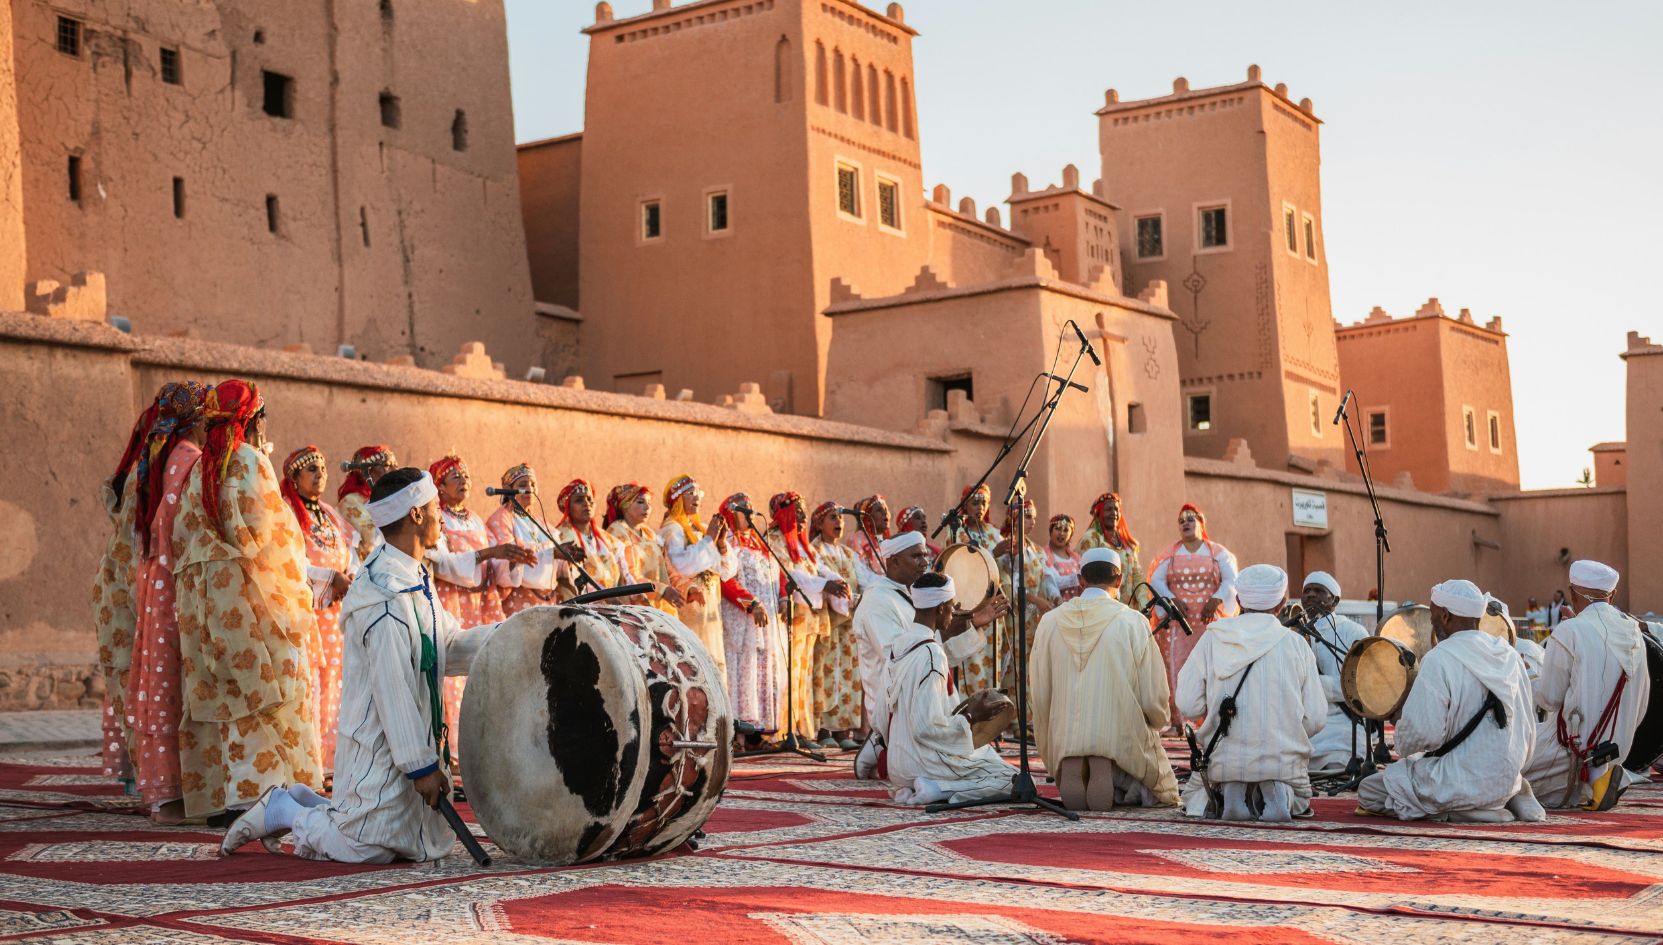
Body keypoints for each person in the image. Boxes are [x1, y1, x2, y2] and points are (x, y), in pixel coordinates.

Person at [219, 469, 502, 862]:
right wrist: (419, 767)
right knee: (365, 847)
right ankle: (283, 810)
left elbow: (444, 646)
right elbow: (393, 687)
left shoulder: (414, 576)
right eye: (436, 508)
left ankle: (304, 803)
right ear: (416, 515)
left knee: (411, 844)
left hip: (407, 742)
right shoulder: (384, 591)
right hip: (381, 743)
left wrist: (510, 637)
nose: (442, 518)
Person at [172, 380, 322, 820]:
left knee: (221, 689)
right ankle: (271, 796)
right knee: (270, 684)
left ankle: (226, 795)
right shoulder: (250, 461)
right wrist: (297, 592)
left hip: (204, 599)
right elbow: (274, 536)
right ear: (254, 420)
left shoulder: (198, 469)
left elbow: (184, 537)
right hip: (248, 594)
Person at [1356, 579, 1544, 823]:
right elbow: (1528, 732)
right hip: (1505, 778)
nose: (1431, 622)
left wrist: (1401, 724)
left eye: (1432, 616)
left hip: (1457, 780)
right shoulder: (1509, 655)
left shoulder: (1440, 658)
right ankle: (1512, 795)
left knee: (1369, 790)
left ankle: (1463, 811)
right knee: (1434, 768)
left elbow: (1425, 735)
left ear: (1445, 616)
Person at [108, 381, 209, 824]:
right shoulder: (190, 461)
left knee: (161, 679)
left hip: (154, 581)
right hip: (179, 582)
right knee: (181, 682)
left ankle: (165, 795)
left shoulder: (153, 462)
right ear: (197, 421)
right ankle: (182, 794)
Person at [1030, 548, 1179, 811]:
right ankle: (1102, 780)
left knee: (1074, 763)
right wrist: (1157, 718)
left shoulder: (1050, 621)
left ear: (1080, 580)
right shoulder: (1133, 622)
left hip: (1065, 729)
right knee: (1104, 760)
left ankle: (1073, 769)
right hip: (1117, 730)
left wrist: (1048, 721)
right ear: (1120, 581)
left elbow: (1040, 686)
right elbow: (1153, 689)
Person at [1176, 564, 1323, 822]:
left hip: (1223, 758)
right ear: (1282, 604)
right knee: (1286, 771)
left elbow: (1188, 704)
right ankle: (1277, 791)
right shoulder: (1296, 644)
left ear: (1240, 600)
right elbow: (1317, 717)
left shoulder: (1213, 638)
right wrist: (1284, 732)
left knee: (1205, 783)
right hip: (1283, 759)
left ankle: (1233, 790)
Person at [851, 531, 1005, 778]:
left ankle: (890, 753)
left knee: (989, 765)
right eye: (915, 556)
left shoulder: (912, 593)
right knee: (993, 774)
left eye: (925, 554)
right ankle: (882, 745)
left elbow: (934, 654)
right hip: (898, 708)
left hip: (928, 708)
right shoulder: (877, 601)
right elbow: (900, 657)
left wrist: (972, 623)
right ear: (893, 561)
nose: (924, 561)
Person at [428, 453, 534, 762]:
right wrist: (492, 552)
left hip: (481, 604)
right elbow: (446, 566)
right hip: (454, 603)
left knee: (483, 670)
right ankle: (456, 753)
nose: (463, 481)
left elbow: (499, 571)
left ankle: (483, 749)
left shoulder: (475, 519)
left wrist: (511, 561)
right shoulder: (439, 519)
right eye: (455, 477)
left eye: (466, 476)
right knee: (454, 674)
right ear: (440, 486)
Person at [1524, 560, 1650, 810]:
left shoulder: (1569, 631)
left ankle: (1590, 780)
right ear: (1612, 595)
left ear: (1571, 592)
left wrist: (1525, 681)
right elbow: (1642, 705)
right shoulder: (1635, 633)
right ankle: (1602, 777)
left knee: (1497, 765)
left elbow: (1548, 698)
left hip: (1569, 750)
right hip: (1616, 750)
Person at [92, 387, 169, 786]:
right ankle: (147, 777)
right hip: (130, 589)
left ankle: (142, 776)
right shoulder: (149, 479)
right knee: (139, 680)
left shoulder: (140, 475)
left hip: (122, 587)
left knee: (135, 680)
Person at [884, 572, 1013, 805]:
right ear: (941, 609)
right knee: (1013, 779)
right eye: (952, 607)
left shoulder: (899, 646)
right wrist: (972, 716)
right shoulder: (932, 653)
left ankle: (909, 788)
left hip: (897, 763)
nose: (954, 613)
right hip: (923, 761)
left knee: (986, 757)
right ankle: (935, 789)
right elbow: (927, 726)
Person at [280, 445, 356, 771]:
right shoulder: (287, 513)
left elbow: (349, 553)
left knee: (335, 684)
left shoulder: (331, 514)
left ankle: (329, 763)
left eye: (323, 469)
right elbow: (289, 563)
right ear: (294, 478)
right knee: (311, 683)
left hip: (334, 615)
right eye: (311, 470)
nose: (319, 475)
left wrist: (347, 576)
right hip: (306, 612)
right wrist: (329, 579)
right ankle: (309, 764)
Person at [764, 492, 851, 743]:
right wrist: (825, 584)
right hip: (794, 614)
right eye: (798, 511)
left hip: (812, 615)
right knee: (790, 674)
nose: (803, 516)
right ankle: (784, 730)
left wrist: (836, 581)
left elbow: (817, 568)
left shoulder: (803, 544)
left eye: (804, 511)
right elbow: (793, 575)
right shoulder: (777, 540)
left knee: (805, 676)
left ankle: (803, 729)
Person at [1150, 503, 1239, 719]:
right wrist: (1172, 600)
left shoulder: (1218, 552)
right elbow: (1155, 580)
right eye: (1181, 521)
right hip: (1179, 624)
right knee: (1177, 668)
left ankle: (1211, 719)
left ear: (1201, 523)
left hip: (1209, 623)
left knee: (1210, 667)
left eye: (1190, 519)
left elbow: (1231, 578)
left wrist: (1216, 598)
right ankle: (1178, 720)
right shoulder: (1170, 553)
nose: (1185, 524)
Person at [717, 492, 785, 736]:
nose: (749, 510)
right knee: (743, 669)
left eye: (750, 506)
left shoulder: (760, 542)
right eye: (742, 508)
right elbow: (726, 580)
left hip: (765, 619)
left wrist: (785, 598)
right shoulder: (728, 541)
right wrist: (751, 604)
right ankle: (739, 731)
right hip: (742, 618)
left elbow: (779, 573)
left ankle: (760, 729)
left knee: (763, 669)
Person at [660, 474, 737, 679]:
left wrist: (720, 544)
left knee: (713, 665)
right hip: (689, 607)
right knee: (693, 665)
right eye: (690, 493)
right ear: (677, 499)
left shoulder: (700, 527)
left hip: (709, 608)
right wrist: (709, 539)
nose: (697, 497)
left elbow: (727, 571)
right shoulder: (671, 529)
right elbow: (682, 566)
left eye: (698, 493)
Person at [485, 463, 583, 617]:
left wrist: (567, 558)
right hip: (519, 603)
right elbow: (507, 564)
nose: (529, 488)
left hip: (550, 602)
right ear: (508, 489)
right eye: (523, 484)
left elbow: (557, 567)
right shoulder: (500, 520)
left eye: (533, 484)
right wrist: (552, 554)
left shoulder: (542, 523)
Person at [1297, 571, 1370, 776]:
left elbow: (1360, 684)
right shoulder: (1293, 633)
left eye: (1319, 591)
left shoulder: (1354, 632)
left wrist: (1314, 684)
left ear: (1335, 600)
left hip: (1342, 721)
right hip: (1303, 720)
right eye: (1307, 591)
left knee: (1340, 754)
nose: (1311, 595)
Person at [810, 501, 862, 749]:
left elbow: (862, 579)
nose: (839, 522)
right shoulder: (814, 551)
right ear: (819, 523)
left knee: (848, 675)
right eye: (832, 517)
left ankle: (844, 730)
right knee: (827, 673)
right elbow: (821, 578)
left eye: (841, 518)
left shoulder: (849, 554)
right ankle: (823, 729)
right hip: (828, 622)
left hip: (849, 624)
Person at [993, 498, 1059, 692]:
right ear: (1015, 517)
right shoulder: (1007, 547)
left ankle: (1031, 714)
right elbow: (1007, 584)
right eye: (1028, 516)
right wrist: (1035, 600)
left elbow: (1046, 576)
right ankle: (1014, 716)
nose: (1033, 521)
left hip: (1034, 615)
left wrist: (1056, 597)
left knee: (1033, 663)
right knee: (1015, 662)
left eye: (1034, 518)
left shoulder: (1035, 548)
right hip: (1016, 614)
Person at [948, 484, 1007, 695]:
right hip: (971, 605)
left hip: (992, 606)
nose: (980, 507)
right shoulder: (958, 531)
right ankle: (970, 712)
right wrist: (994, 551)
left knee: (993, 658)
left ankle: (990, 718)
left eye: (984, 502)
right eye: (974, 502)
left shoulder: (993, 532)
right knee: (972, 657)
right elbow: (960, 562)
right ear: (965, 505)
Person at [605, 482, 687, 614]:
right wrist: (661, 590)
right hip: (635, 608)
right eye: (640, 502)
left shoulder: (649, 533)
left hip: (659, 606)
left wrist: (689, 587)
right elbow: (629, 575)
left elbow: (667, 568)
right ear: (625, 505)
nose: (647, 507)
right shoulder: (617, 531)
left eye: (649, 503)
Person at [552, 478, 634, 597]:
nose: (586, 503)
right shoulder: (559, 537)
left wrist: (641, 596)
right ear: (567, 507)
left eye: (590, 499)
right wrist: (604, 597)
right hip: (579, 607)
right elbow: (570, 581)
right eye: (579, 500)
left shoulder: (609, 540)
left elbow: (626, 578)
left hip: (613, 605)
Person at [1078, 492, 1147, 608]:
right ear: (1099, 512)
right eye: (1108, 509)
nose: (1114, 513)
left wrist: (1144, 602)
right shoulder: (1091, 537)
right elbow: (1086, 572)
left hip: (1128, 608)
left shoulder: (1127, 542)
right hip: (1101, 606)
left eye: (1116, 509)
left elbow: (1137, 574)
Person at [335, 445, 398, 561]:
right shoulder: (350, 502)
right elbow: (371, 537)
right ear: (368, 471)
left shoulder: (389, 500)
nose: (395, 471)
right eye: (387, 465)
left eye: (395, 466)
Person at [848, 494, 892, 586]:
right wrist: (888, 584)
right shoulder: (857, 539)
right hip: (872, 592)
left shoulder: (889, 541)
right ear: (867, 516)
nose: (885, 513)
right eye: (879, 510)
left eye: (885, 509)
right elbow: (861, 575)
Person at [1043, 514, 1084, 602]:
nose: (1061, 533)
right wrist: (1079, 577)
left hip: (1077, 608)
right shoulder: (1043, 556)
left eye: (1066, 530)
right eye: (1057, 528)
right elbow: (1052, 582)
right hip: (1056, 608)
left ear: (1071, 534)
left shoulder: (1076, 558)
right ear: (1050, 531)